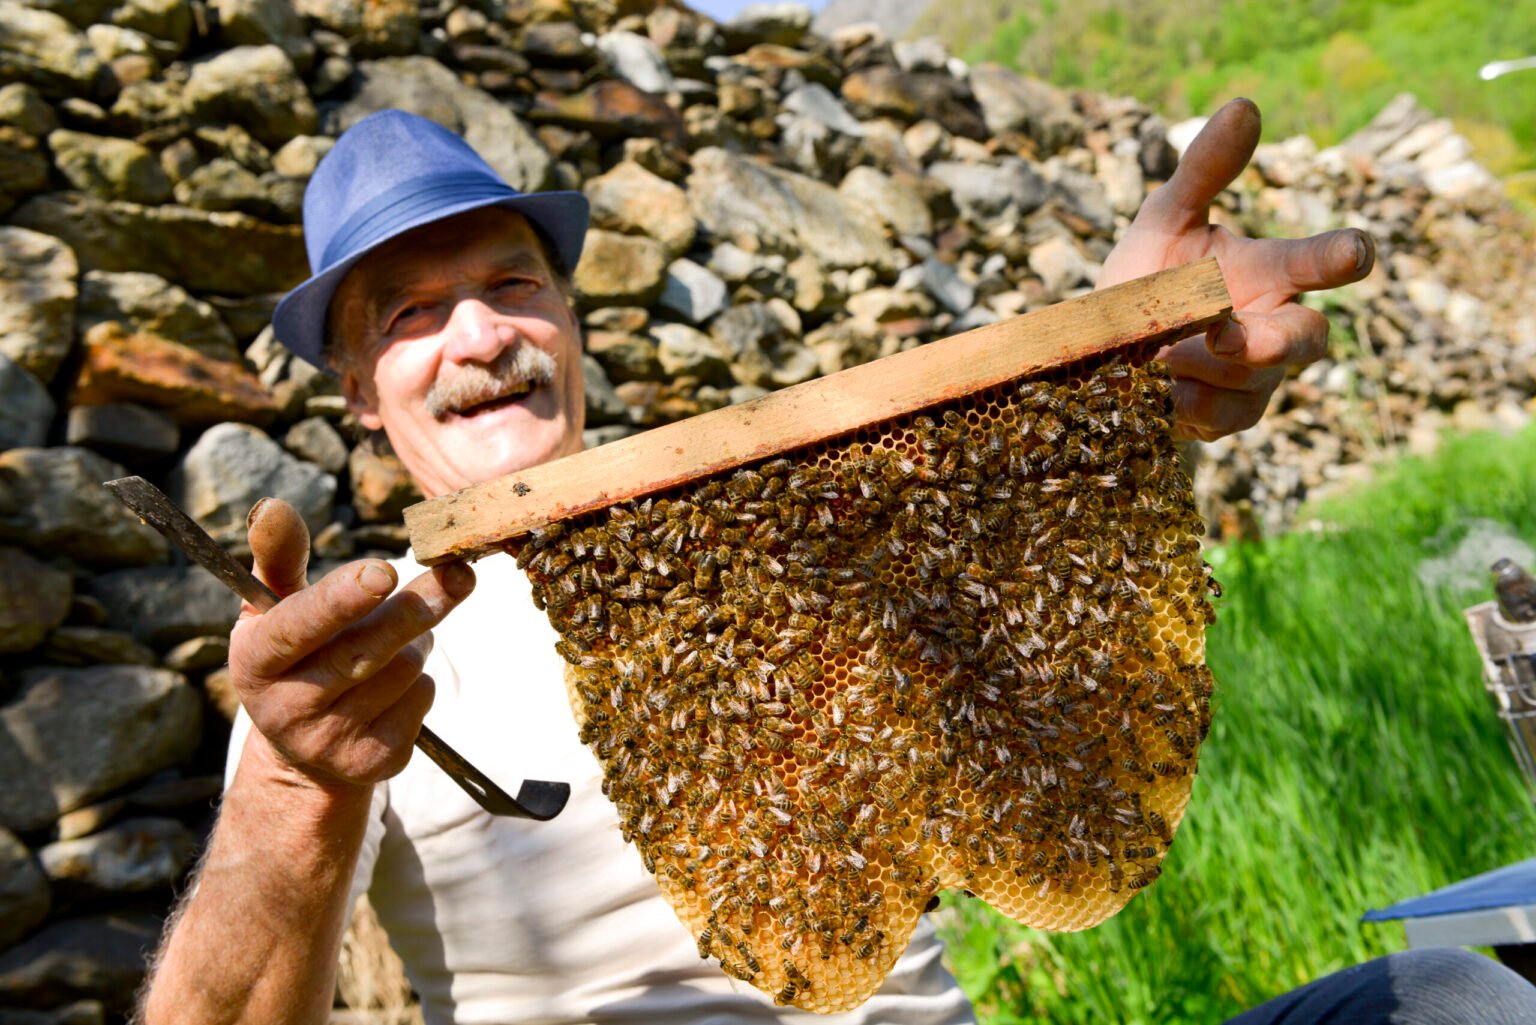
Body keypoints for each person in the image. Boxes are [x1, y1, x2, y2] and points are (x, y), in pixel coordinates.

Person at [136, 104, 1536, 1025]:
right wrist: (294, 791)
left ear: (572, 319)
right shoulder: (355, 664)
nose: (483, 335)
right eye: (414, 314)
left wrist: (1115, 365)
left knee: (1461, 998)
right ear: (361, 400)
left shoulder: (780, 524)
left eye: (512, 285)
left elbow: (1027, 590)